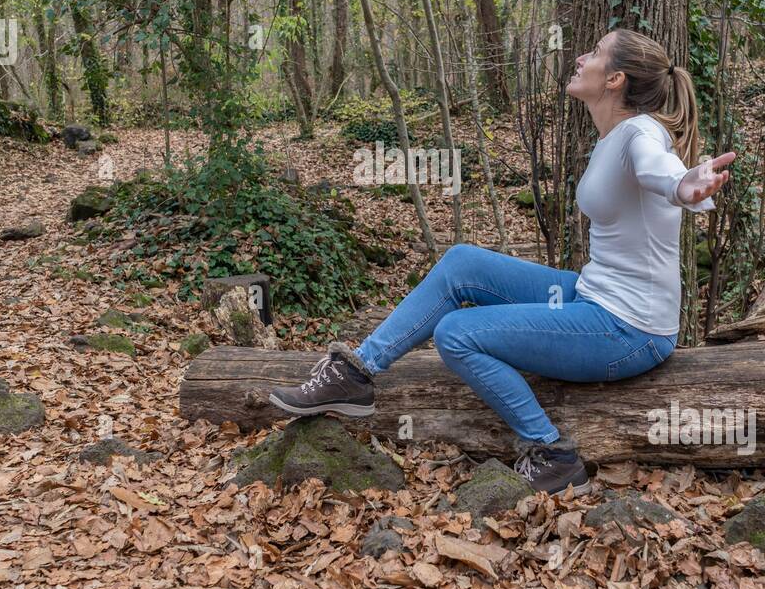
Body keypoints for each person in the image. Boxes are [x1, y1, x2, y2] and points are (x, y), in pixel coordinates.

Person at [269, 29, 735, 494]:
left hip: (630, 329)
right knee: (461, 263)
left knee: (456, 334)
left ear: (615, 78)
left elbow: (659, 168)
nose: (579, 57)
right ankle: (356, 373)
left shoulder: (640, 132)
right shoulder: (614, 136)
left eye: (593, 52)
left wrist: (683, 186)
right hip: (593, 295)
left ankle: (551, 453)